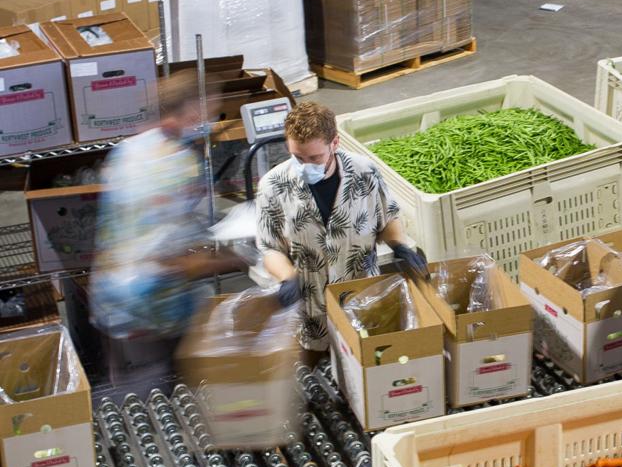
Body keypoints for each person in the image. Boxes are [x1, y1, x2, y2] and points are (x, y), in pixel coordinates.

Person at [92, 71, 238, 395]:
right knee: (160, 401)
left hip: (111, 303)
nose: (211, 122)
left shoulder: (127, 150)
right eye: (210, 112)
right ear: (191, 112)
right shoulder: (176, 165)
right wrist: (239, 258)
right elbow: (173, 260)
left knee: (130, 399)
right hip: (148, 312)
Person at [255, 101, 426, 356]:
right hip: (312, 309)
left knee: (366, 366)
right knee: (315, 368)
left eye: (315, 158)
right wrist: (287, 277)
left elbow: (386, 217)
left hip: (361, 300)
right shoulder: (273, 185)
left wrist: (399, 245)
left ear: (334, 143)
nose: (305, 166)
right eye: (298, 157)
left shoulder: (364, 172)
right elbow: (270, 248)